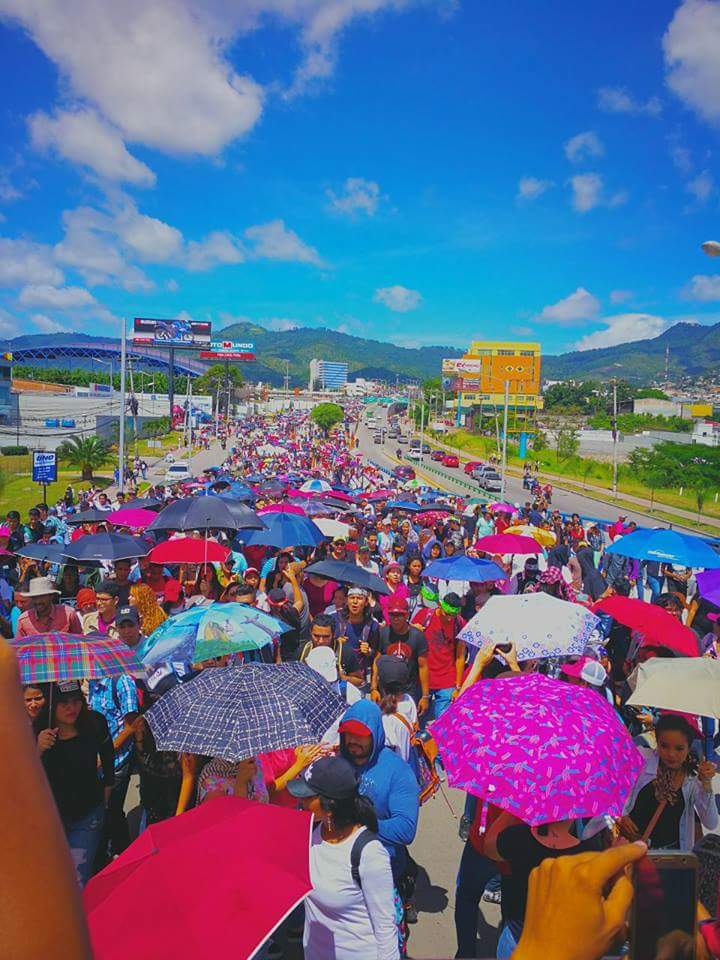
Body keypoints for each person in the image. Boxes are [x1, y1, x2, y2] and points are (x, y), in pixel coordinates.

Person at [288, 755, 400, 960]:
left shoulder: (369, 854)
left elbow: (385, 928)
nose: (300, 801)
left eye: (308, 796)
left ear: (329, 806)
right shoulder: (310, 831)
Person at [34, 681, 114, 886]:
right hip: (51, 818)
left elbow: (107, 751)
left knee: (78, 879)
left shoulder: (95, 722)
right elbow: (21, 772)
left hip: (87, 815)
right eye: (64, 703)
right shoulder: (38, 730)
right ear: (52, 704)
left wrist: (108, 785)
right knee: (53, 877)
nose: (72, 708)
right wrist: (37, 749)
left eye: (76, 701)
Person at [338, 700, 420, 884]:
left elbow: (405, 829)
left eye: (360, 735)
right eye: (347, 733)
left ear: (375, 733)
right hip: (341, 869)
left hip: (381, 872)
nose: (352, 740)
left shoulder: (398, 771)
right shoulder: (338, 761)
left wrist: (357, 824)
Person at [619, 714, 717, 850]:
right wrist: (620, 816)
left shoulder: (693, 778)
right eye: (664, 746)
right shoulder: (640, 760)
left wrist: (706, 785)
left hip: (672, 860)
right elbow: (614, 790)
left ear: (689, 748)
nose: (671, 754)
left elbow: (711, 823)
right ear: (656, 742)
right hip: (632, 852)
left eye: (679, 748)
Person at [411, 590, 465, 722]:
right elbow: (408, 636)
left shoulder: (459, 623)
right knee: (419, 721)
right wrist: (413, 630)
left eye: (453, 615)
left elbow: (460, 656)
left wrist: (458, 686)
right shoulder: (425, 615)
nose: (449, 618)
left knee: (443, 723)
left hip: (447, 679)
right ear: (440, 606)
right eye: (447, 614)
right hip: (423, 678)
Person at [372, 596, 429, 713]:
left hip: (409, 690)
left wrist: (425, 696)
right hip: (385, 690)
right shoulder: (383, 634)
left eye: (400, 615)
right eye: (392, 615)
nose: (395, 619)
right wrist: (373, 688)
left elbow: (423, 666)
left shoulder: (417, 636)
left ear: (407, 615)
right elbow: (376, 661)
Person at [299, 614, 364, 687]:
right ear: (310, 633)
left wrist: (343, 678)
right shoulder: (303, 650)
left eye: (326, 637)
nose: (320, 641)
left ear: (333, 634)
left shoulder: (345, 652)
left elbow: (360, 682)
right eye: (316, 636)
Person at [15, 577, 84, 637]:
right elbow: (19, 648)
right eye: (34, 597)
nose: (37, 601)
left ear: (51, 596)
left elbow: (79, 639)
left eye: (42, 596)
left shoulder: (69, 614)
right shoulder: (24, 620)